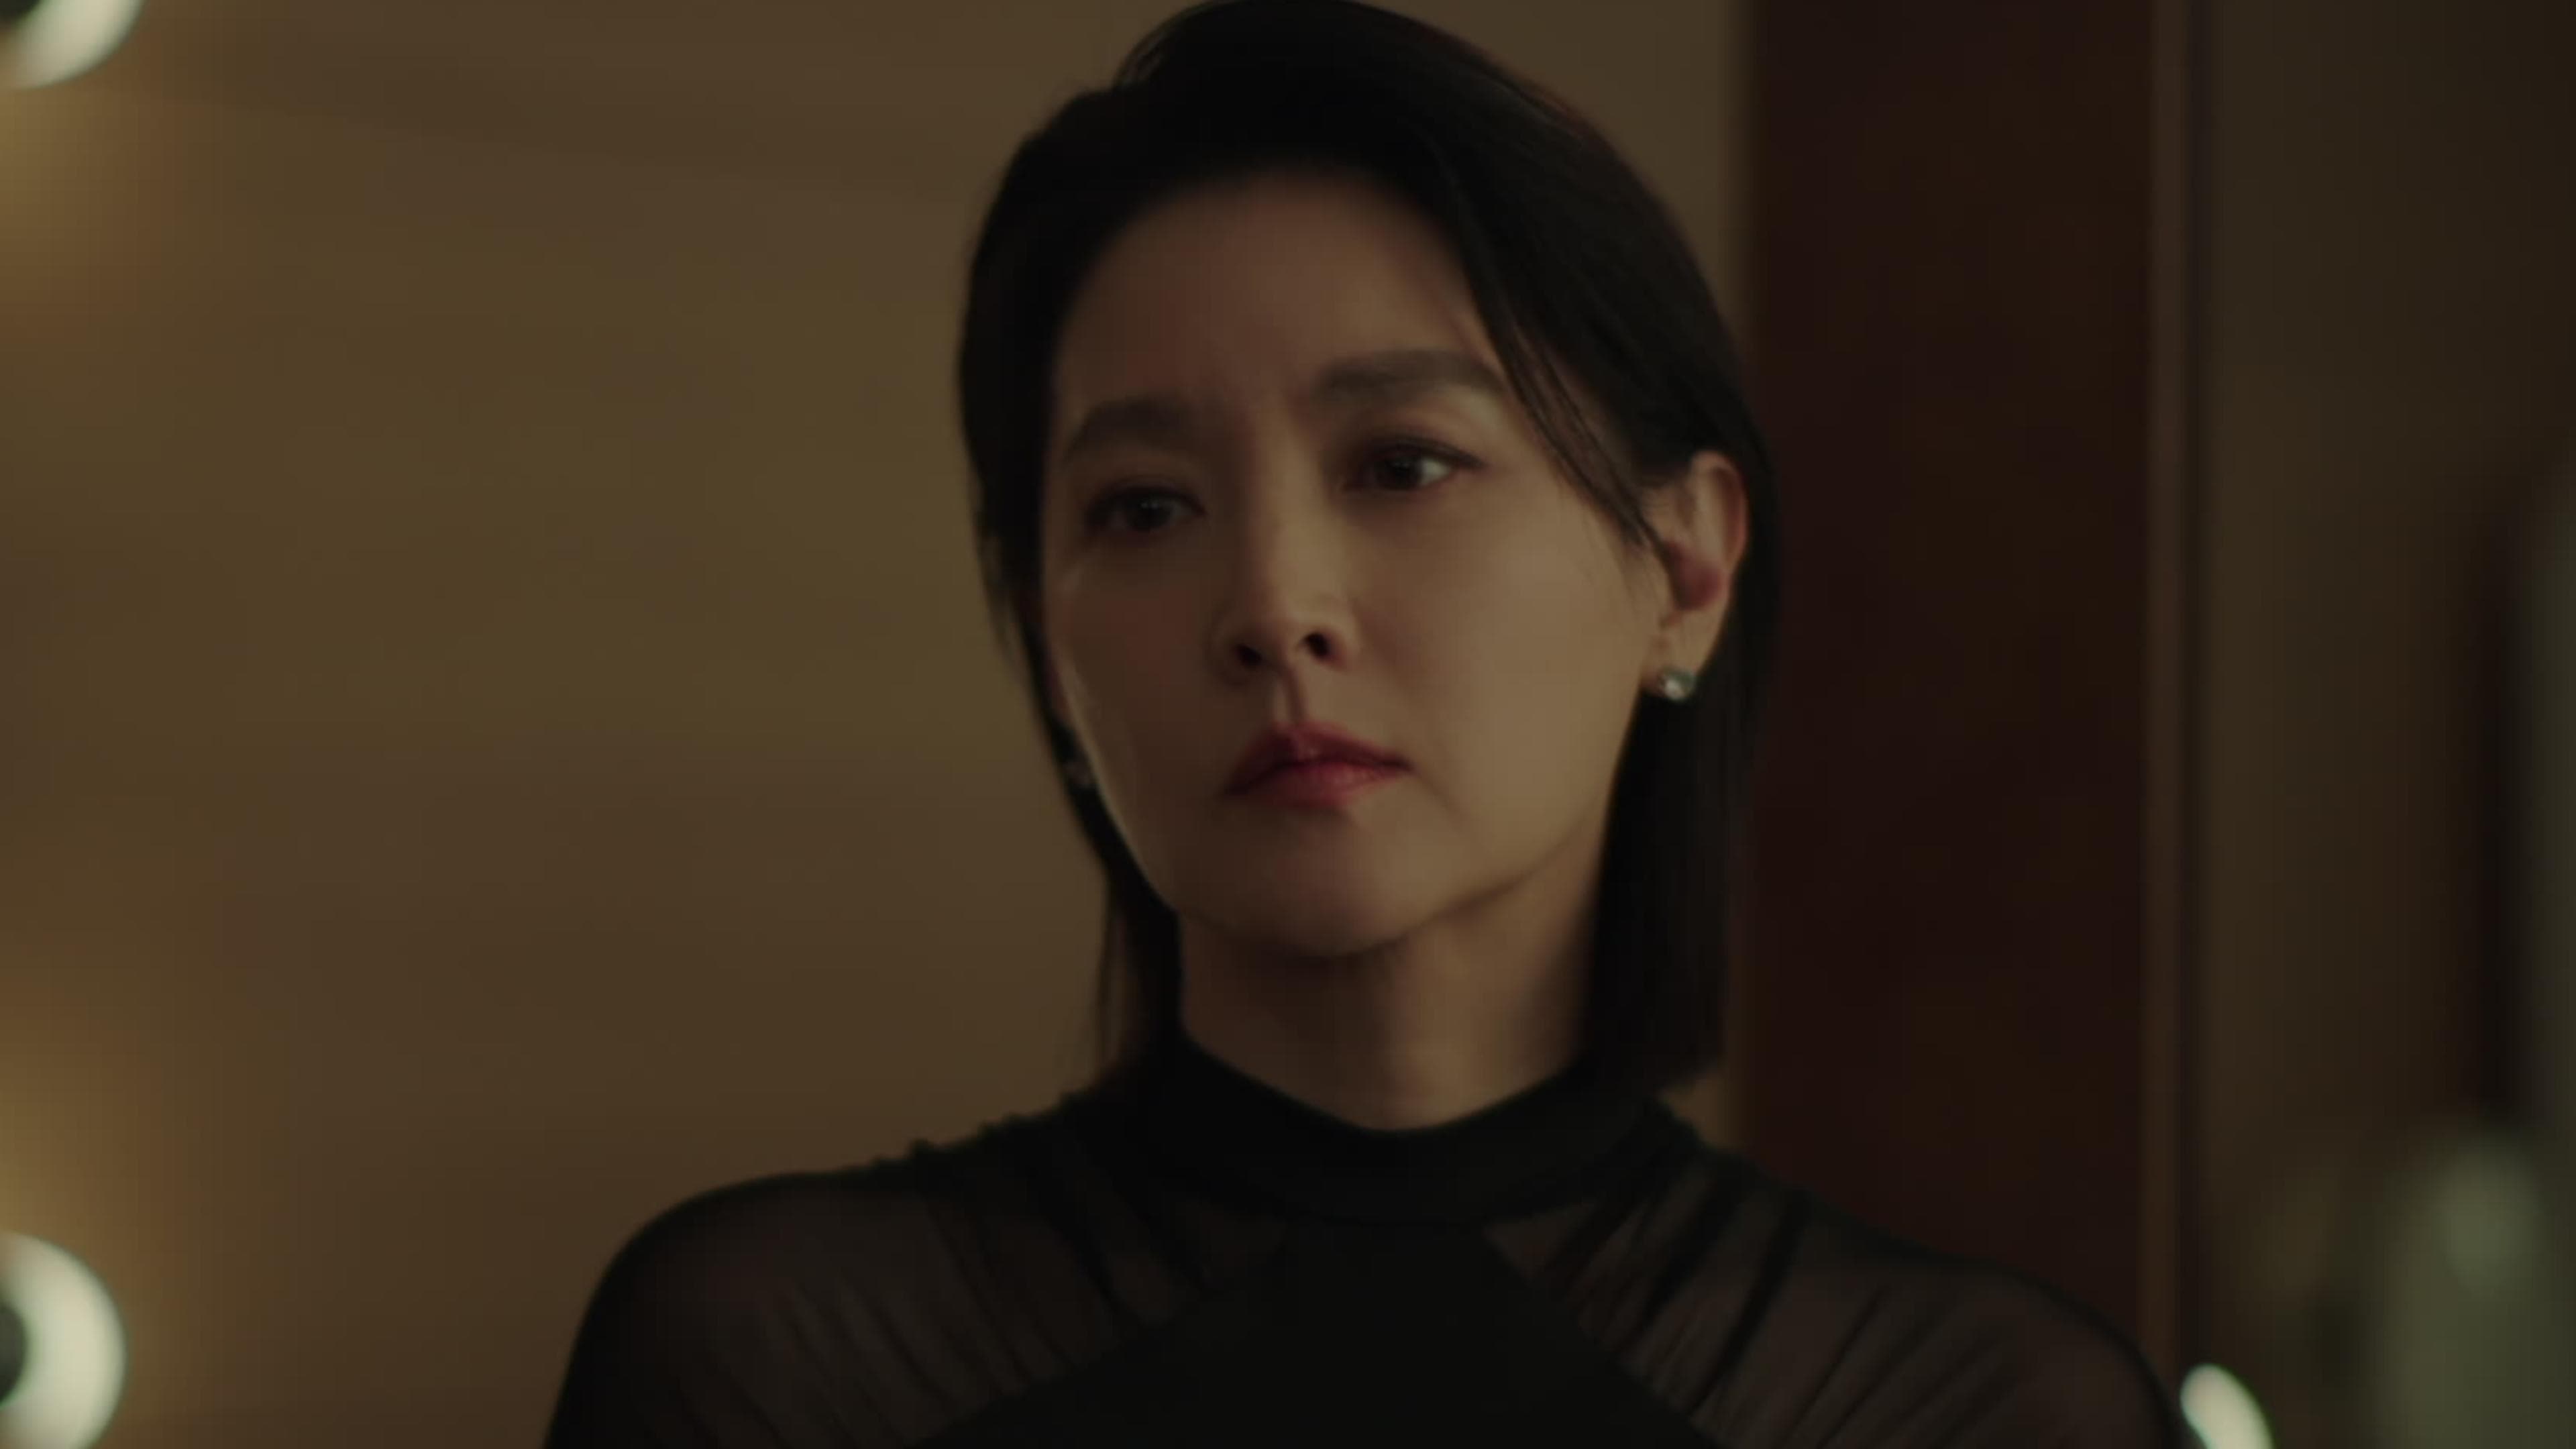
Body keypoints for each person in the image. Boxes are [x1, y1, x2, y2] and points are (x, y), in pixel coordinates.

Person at [541, 2, 2197, 1443]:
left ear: (1686, 568)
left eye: (1403, 464)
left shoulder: (1966, 1411)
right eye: (1143, 507)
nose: (1274, 606)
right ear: (1049, 650)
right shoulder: (779, 1359)